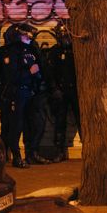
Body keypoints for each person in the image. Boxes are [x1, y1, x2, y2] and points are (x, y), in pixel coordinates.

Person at [0, 23, 49, 167]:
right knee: (16, 125)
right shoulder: (9, 51)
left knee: (34, 124)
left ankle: (31, 153)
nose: (29, 38)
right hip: (16, 93)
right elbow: (11, 75)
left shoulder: (32, 49)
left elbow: (40, 68)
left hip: (32, 92)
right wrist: (30, 72)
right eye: (25, 35)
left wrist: (39, 79)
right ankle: (16, 156)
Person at [46, 21, 80, 162]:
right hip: (61, 91)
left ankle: (90, 149)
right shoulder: (54, 52)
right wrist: (54, 89)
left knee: (81, 120)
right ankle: (60, 150)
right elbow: (50, 73)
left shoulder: (76, 50)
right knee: (60, 121)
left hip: (75, 90)